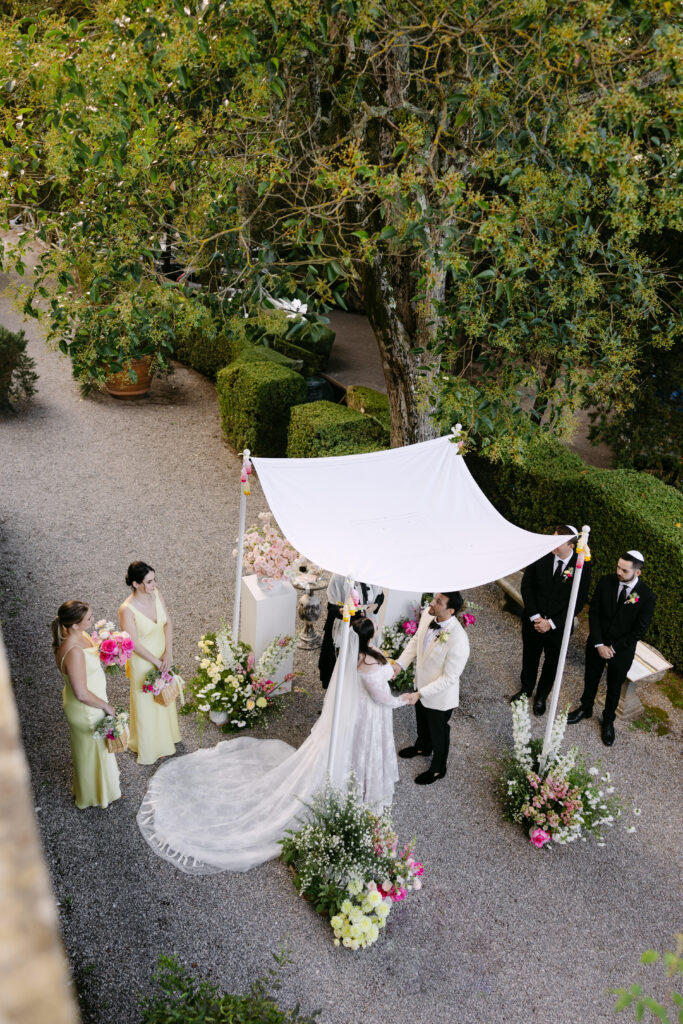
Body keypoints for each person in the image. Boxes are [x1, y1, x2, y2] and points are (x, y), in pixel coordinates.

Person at [137, 614, 412, 874]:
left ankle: (357, 782)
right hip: (368, 715)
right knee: (360, 749)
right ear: (368, 636)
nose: (377, 626)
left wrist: (395, 665)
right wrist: (406, 699)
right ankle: (358, 786)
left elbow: (383, 672)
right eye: (374, 626)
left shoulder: (361, 656)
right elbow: (382, 697)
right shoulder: (369, 663)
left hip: (359, 714)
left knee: (354, 749)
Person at [567, 551, 656, 746]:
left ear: (637, 573)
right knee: (591, 677)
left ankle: (608, 721)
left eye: (624, 570)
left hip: (621, 650)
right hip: (597, 643)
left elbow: (638, 631)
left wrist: (613, 648)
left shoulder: (647, 596)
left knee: (614, 687)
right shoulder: (606, 581)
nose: (619, 572)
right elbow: (595, 613)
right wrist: (599, 644)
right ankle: (586, 707)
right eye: (618, 567)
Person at [510, 525, 592, 716]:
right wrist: (535, 616)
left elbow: (578, 601)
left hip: (558, 627)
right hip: (534, 620)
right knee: (530, 656)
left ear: (571, 546)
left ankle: (541, 697)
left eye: (558, 542)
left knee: (552, 662)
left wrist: (552, 623)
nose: (552, 544)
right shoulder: (542, 554)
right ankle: (526, 689)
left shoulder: (581, 565)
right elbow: (527, 585)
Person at [393, 591, 470, 785]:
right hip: (421, 685)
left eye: (438, 601)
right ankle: (422, 748)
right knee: (421, 721)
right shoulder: (428, 615)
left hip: (440, 697)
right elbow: (416, 641)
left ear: (450, 610)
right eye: (434, 598)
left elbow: (450, 678)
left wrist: (420, 693)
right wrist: (399, 664)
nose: (432, 603)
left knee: (439, 733)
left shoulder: (458, 639)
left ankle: (438, 768)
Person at [52, 600, 121, 810]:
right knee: (93, 753)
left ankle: (95, 789)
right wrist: (107, 707)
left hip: (92, 701)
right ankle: (94, 795)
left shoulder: (80, 635)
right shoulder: (73, 651)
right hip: (87, 709)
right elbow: (81, 693)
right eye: (89, 618)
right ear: (74, 625)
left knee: (91, 752)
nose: (93, 619)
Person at [119, 562, 180, 765]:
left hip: (162, 656)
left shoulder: (156, 594)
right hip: (144, 661)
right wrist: (156, 661)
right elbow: (133, 643)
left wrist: (168, 654)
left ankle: (166, 739)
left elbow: (168, 622)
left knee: (164, 699)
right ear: (136, 584)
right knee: (146, 703)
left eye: (154, 579)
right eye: (149, 581)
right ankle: (149, 746)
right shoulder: (126, 610)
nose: (154, 584)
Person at [318, 574, 384, 688]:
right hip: (346, 625)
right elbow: (331, 607)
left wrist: (375, 605)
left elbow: (380, 595)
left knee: (363, 658)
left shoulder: (372, 575)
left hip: (366, 627)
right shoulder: (339, 578)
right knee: (343, 660)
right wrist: (341, 610)